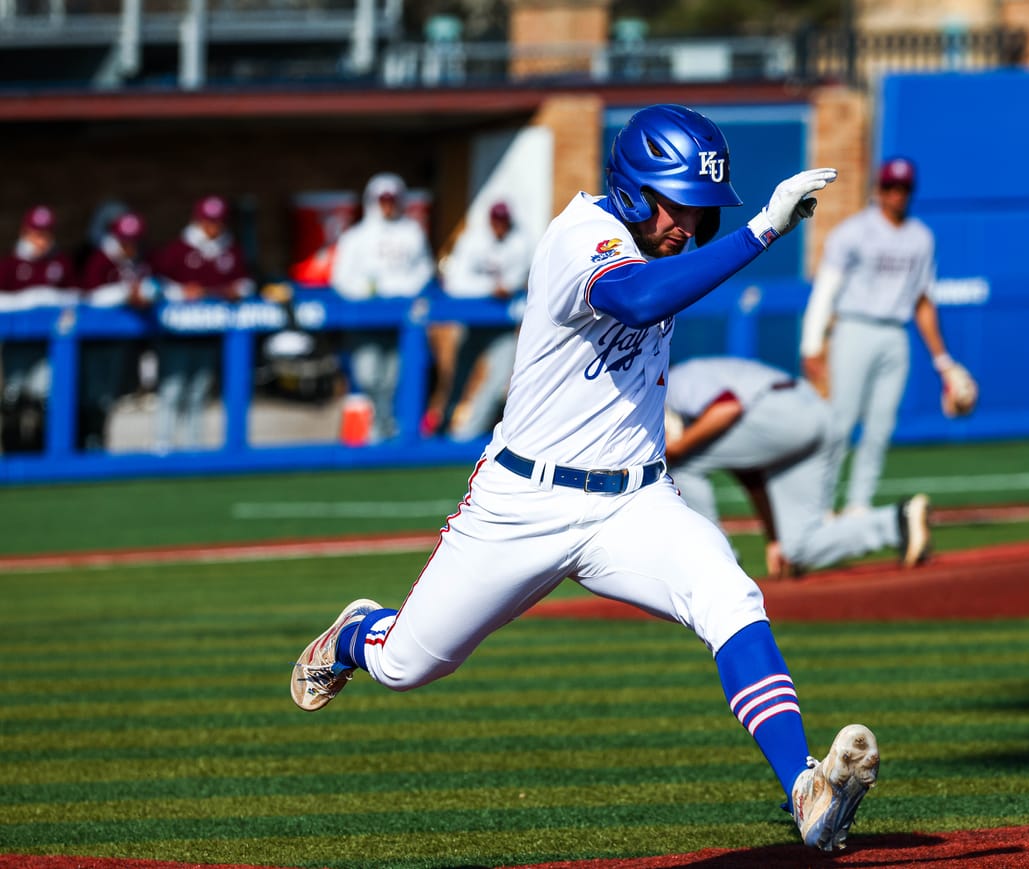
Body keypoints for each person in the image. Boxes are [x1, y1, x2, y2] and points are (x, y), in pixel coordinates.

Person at [291, 104, 881, 852]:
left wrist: (742, 230)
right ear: (631, 189)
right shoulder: (580, 236)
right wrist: (762, 229)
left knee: (731, 596)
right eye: (676, 204)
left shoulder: (660, 242)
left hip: (634, 502)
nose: (687, 225)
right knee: (407, 665)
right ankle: (355, 634)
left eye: (701, 210)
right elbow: (638, 296)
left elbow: (662, 280)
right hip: (524, 501)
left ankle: (805, 788)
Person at [800, 157, 975, 516]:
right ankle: (819, 507)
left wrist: (943, 361)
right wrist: (812, 344)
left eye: (904, 187)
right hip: (855, 327)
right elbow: (826, 289)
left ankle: (859, 506)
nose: (897, 194)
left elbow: (923, 301)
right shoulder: (854, 231)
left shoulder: (921, 238)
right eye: (891, 186)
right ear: (879, 188)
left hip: (895, 333)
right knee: (841, 421)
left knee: (881, 426)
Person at [664, 354, 931, 578]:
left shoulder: (674, 380)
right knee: (799, 547)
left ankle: (717, 560)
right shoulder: (704, 371)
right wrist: (775, 539)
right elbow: (750, 471)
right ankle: (896, 522)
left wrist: (677, 448)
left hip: (781, 415)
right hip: (816, 416)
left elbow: (727, 407)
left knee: (682, 462)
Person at [330, 172, 434, 442]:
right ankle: (379, 426)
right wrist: (366, 290)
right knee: (367, 375)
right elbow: (341, 278)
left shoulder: (412, 232)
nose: (387, 206)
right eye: (382, 200)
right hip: (365, 320)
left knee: (393, 378)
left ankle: (387, 431)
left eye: (392, 200)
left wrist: (401, 289)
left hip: (400, 321)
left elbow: (424, 269)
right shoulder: (356, 236)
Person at [150, 194, 253, 452]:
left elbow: (247, 282)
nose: (213, 227)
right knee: (173, 388)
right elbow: (155, 284)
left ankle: (193, 446)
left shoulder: (230, 249)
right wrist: (181, 292)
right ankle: (163, 444)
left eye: (218, 221)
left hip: (209, 331)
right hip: (176, 332)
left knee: (199, 390)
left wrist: (233, 291)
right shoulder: (179, 249)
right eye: (208, 221)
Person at [426, 199, 532, 441]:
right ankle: (444, 427)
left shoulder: (520, 240)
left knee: (500, 380)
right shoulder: (473, 239)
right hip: (472, 321)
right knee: (458, 377)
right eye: (496, 220)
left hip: (502, 326)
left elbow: (518, 278)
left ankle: (467, 434)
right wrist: (490, 288)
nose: (500, 225)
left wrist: (505, 287)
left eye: (504, 220)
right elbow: (455, 283)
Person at [0, 204, 76, 453]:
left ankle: (41, 452)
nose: (42, 240)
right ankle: (13, 451)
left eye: (46, 233)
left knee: (43, 398)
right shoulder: (10, 264)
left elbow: (75, 297)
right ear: (25, 232)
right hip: (17, 344)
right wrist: (30, 300)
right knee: (14, 398)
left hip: (49, 347)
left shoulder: (60, 263)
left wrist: (51, 299)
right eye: (37, 233)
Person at [78, 210, 154, 451]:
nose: (130, 246)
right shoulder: (99, 259)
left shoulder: (136, 262)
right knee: (92, 397)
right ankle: (87, 443)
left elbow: (150, 286)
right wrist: (125, 294)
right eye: (125, 241)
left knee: (111, 397)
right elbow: (90, 296)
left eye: (134, 241)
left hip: (123, 342)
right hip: (94, 341)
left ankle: (99, 444)